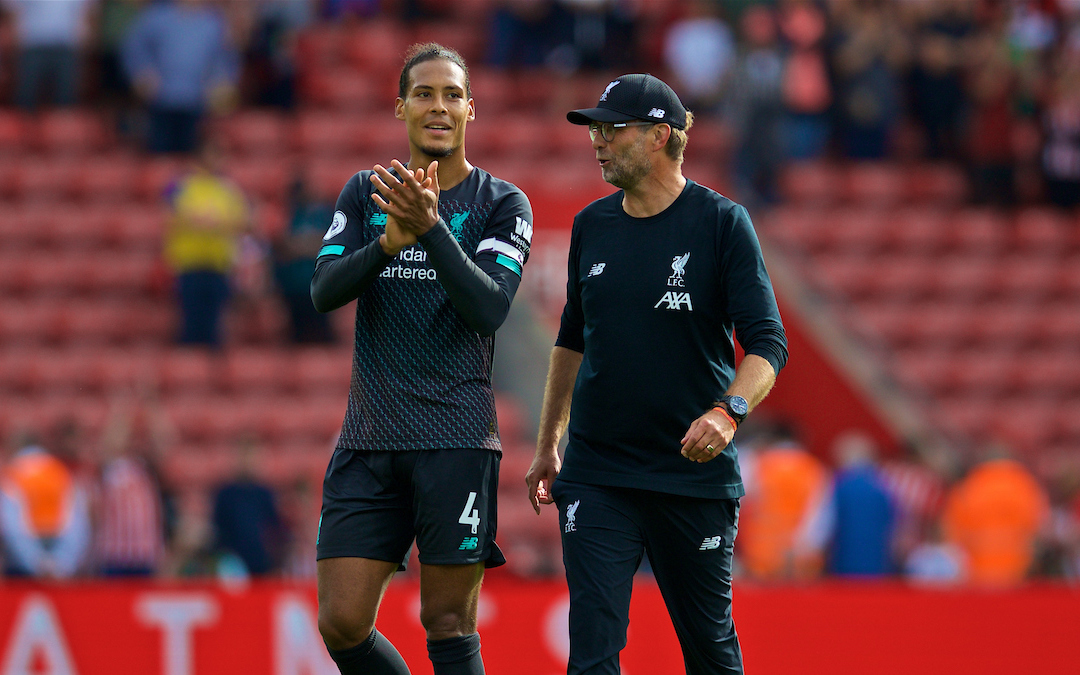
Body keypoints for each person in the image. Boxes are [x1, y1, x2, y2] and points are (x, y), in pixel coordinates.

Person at [526, 74, 788, 675]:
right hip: (598, 474)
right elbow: (571, 338)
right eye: (595, 129)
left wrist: (730, 411)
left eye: (613, 129)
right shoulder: (592, 225)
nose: (597, 141)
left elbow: (769, 344)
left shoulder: (722, 223)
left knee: (710, 654)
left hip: (690, 476)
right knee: (591, 657)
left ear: (661, 136)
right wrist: (548, 445)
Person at [310, 43, 533, 675]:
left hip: (455, 437)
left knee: (447, 621)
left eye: (452, 95)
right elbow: (324, 292)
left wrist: (430, 231)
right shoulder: (366, 192)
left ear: (471, 110)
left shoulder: (501, 203)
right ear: (401, 107)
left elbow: (489, 310)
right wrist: (389, 242)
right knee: (342, 622)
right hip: (370, 435)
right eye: (425, 94)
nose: (439, 106)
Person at [162, 138, 250, 347]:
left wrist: (211, 222)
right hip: (189, 264)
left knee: (214, 325)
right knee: (191, 323)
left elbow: (242, 221)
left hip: (218, 264)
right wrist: (206, 221)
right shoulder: (181, 184)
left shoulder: (228, 188)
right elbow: (171, 211)